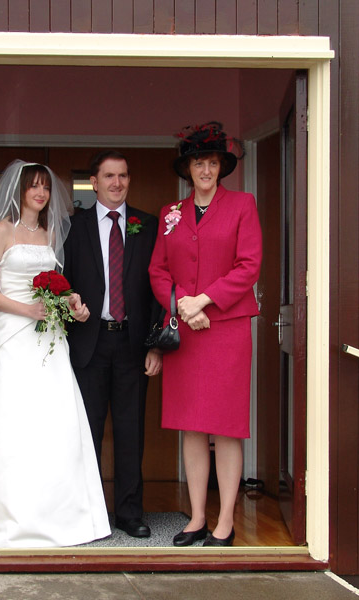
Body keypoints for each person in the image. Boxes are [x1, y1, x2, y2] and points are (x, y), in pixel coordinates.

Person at [0, 159, 111, 548]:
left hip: (47, 339)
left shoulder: (51, 233)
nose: (40, 193)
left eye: (46, 187)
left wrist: (69, 302)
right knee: (10, 422)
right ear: (19, 191)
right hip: (12, 335)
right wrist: (26, 310)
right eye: (33, 186)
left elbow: (56, 287)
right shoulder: (2, 230)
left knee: (54, 424)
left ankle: (61, 517)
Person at [149, 122, 262, 547]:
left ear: (221, 167)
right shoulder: (170, 213)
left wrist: (204, 301)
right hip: (186, 332)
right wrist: (182, 303)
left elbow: (248, 265)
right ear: (188, 167)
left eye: (213, 163)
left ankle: (225, 522)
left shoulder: (242, 205)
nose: (206, 170)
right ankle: (196, 517)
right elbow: (157, 269)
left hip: (226, 330)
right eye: (199, 162)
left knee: (226, 427)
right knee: (191, 427)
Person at [63, 150, 162, 538]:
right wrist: (72, 304)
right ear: (94, 182)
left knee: (130, 431)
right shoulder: (73, 227)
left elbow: (157, 289)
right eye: (109, 176)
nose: (117, 183)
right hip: (88, 344)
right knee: (86, 431)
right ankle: (86, 513)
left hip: (133, 346)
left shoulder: (147, 225)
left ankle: (129, 513)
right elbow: (62, 281)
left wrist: (155, 344)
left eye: (123, 176)